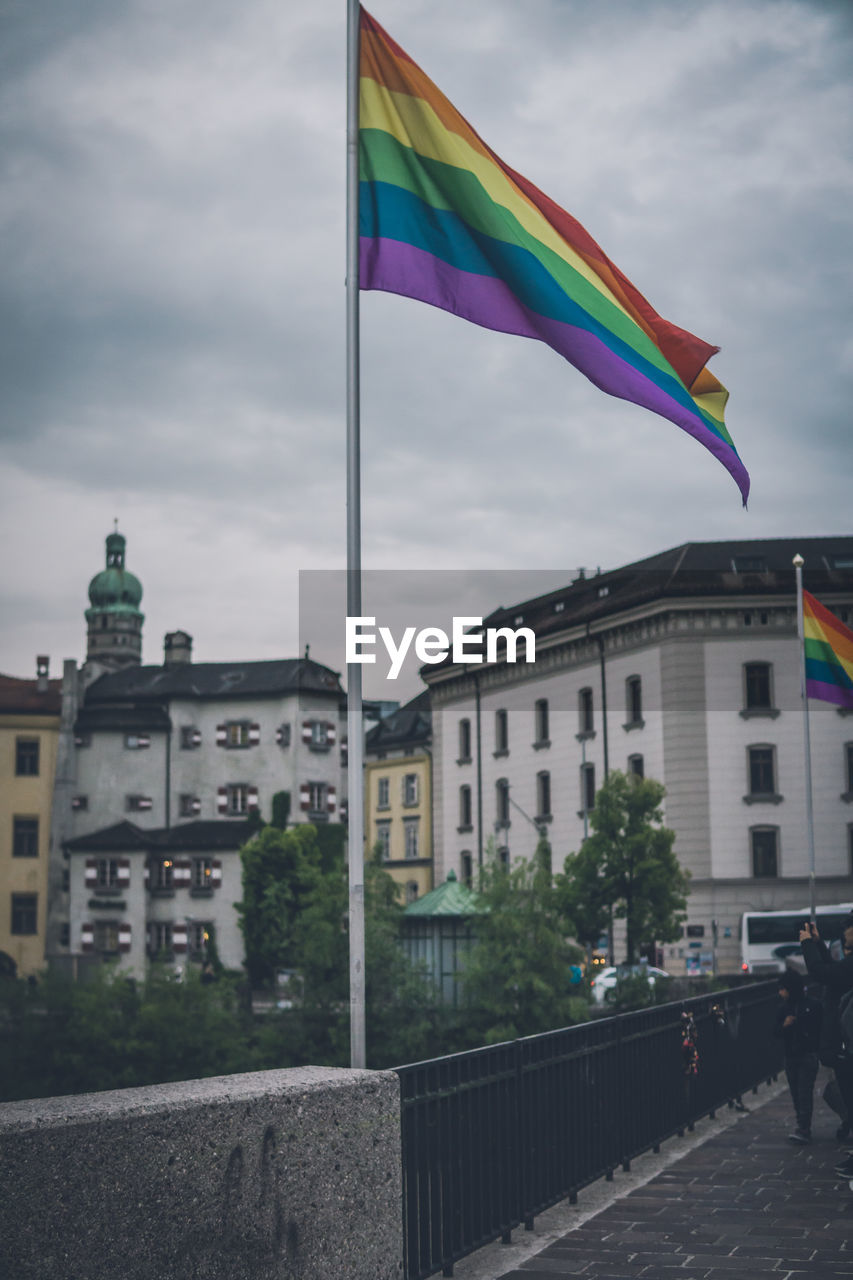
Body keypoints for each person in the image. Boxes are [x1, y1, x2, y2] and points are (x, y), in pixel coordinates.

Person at [799, 915, 853, 1176]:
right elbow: (834, 971)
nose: (846, 936)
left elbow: (823, 973)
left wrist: (808, 945)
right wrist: (818, 944)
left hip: (846, 1044)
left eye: (848, 931)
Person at [772, 967, 821, 1143]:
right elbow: (775, 1032)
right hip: (791, 1055)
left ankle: (804, 1128)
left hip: (807, 1055)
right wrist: (784, 1026)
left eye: (782, 988)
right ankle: (802, 1125)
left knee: (804, 1091)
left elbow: (818, 1029)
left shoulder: (812, 1006)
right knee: (796, 1092)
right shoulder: (783, 1009)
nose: (780, 992)